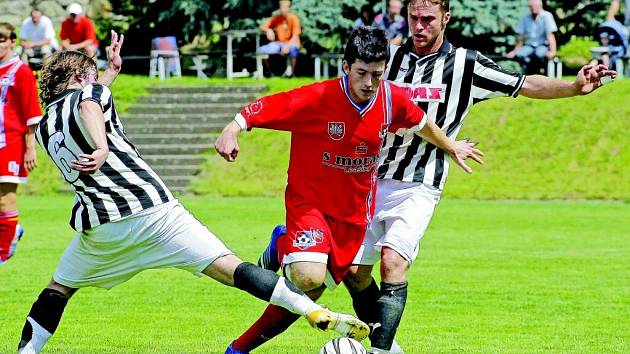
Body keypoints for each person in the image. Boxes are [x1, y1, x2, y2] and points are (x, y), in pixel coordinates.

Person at [16, 31, 369, 354]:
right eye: (92, 75)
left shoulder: (46, 126)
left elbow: (88, 99)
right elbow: (89, 104)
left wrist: (110, 72)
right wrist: (102, 145)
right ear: (79, 78)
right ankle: (312, 309)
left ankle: (26, 351)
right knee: (230, 268)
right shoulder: (88, 97)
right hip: (154, 213)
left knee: (58, 287)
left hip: (102, 230)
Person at [338, 1, 615, 353]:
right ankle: (387, 344)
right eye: (413, 19)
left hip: (419, 184)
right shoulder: (388, 58)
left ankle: (378, 349)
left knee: (393, 260)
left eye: (428, 20)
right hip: (371, 180)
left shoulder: (466, 65)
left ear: (446, 19)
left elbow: (525, 84)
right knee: (354, 272)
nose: (419, 27)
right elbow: (348, 90)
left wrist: (573, 88)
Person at [218, 26, 483, 354]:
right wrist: (232, 130)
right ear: (345, 66)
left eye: (377, 74)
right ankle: (283, 248)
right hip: (310, 203)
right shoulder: (319, 98)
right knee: (308, 277)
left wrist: (451, 146)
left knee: (318, 291)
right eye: (361, 73)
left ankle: (240, 346)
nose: (369, 83)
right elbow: (261, 108)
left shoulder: (390, 100)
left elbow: (420, 123)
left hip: (354, 213)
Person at [0, 23, 41, 264]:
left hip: (11, 143)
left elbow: (31, 113)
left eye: (2, 40)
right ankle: (9, 233)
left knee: (6, 198)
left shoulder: (20, 71)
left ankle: (5, 249)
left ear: (12, 41)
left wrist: (30, 146)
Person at [506, 0, 558, 75]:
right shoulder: (524, 17)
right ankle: (526, 73)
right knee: (520, 54)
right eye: (531, 6)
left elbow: (550, 35)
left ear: (540, 6)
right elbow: (521, 37)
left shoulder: (547, 16)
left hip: (542, 46)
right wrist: (514, 51)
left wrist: (553, 51)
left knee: (539, 54)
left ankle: (540, 73)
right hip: (528, 46)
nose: (533, 8)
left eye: (535, 6)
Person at [259, 0, 301, 77]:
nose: (283, 10)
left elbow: (296, 35)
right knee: (262, 50)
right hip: (278, 43)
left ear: (289, 8)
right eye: (281, 8)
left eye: (285, 8)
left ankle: (292, 74)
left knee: (293, 49)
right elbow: (262, 26)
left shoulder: (294, 18)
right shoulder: (277, 18)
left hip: (291, 43)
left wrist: (287, 46)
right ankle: (270, 73)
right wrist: (268, 30)